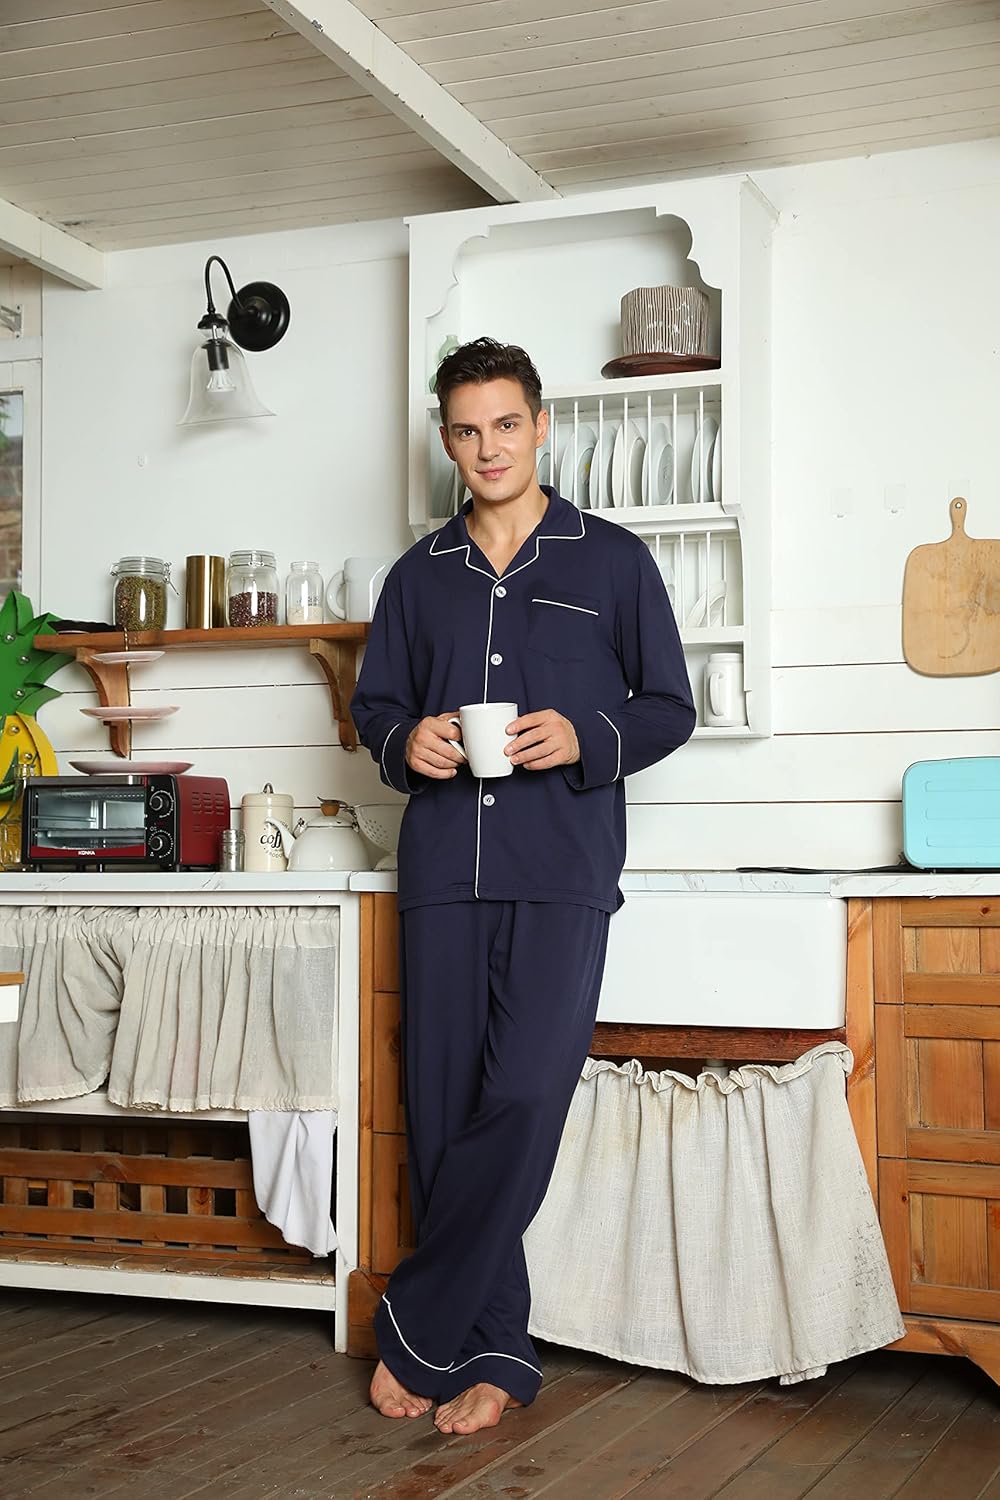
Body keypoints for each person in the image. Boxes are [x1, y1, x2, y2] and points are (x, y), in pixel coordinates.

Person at [350, 336, 695, 1436]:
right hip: (444, 872)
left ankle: (417, 1325)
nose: (488, 447)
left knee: (528, 1098)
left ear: (541, 426)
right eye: (467, 429)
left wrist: (585, 735)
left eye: (506, 424)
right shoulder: (416, 577)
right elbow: (374, 709)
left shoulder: (613, 562)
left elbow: (669, 706)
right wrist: (409, 744)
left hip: (563, 870)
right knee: (443, 1112)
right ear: (446, 439)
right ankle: (496, 1351)